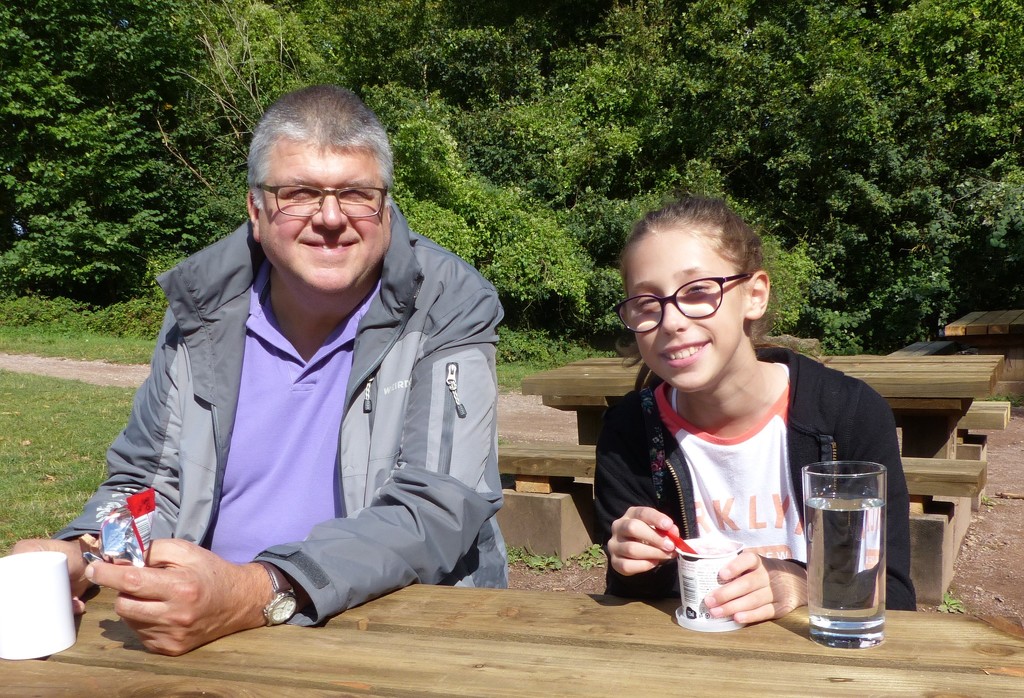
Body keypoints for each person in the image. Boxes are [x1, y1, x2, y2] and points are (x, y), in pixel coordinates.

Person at [11, 85, 507, 655]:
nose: (329, 218)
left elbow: (438, 507)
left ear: (386, 206)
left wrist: (258, 589)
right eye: (297, 193)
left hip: (400, 631)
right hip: (208, 635)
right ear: (255, 209)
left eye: (356, 194)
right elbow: (145, 483)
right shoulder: (200, 310)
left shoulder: (448, 302)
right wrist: (89, 550)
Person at [594, 195, 916, 624]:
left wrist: (799, 583)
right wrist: (634, 565)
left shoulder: (849, 414)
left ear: (755, 295)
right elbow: (639, 604)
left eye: (698, 291)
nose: (671, 321)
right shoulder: (628, 432)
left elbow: (892, 592)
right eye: (647, 303)